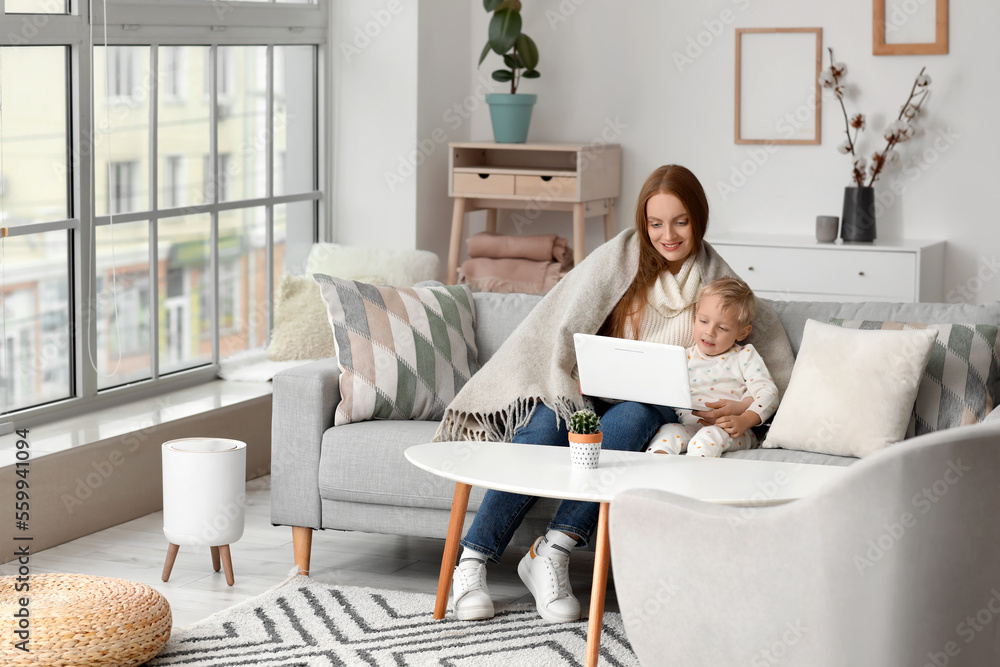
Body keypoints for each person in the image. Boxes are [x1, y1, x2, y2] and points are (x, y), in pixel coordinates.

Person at [435, 165, 795, 623]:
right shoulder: (620, 258)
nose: (667, 235)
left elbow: (762, 348)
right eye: (656, 222)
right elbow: (566, 322)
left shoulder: (716, 279)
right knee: (545, 425)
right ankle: (472, 560)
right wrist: (574, 376)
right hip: (586, 390)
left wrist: (745, 408)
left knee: (633, 419)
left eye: (680, 221)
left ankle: (552, 551)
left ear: (699, 220)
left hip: (649, 405)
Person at [647, 277, 778, 457]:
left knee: (705, 438)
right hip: (689, 427)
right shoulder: (683, 357)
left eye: (722, 328)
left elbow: (768, 392)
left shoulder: (744, 355)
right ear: (695, 317)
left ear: (742, 332)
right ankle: (654, 476)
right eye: (703, 321)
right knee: (668, 433)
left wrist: (745, 420)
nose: (709, 332)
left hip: (733, 430)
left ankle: (694, 481)